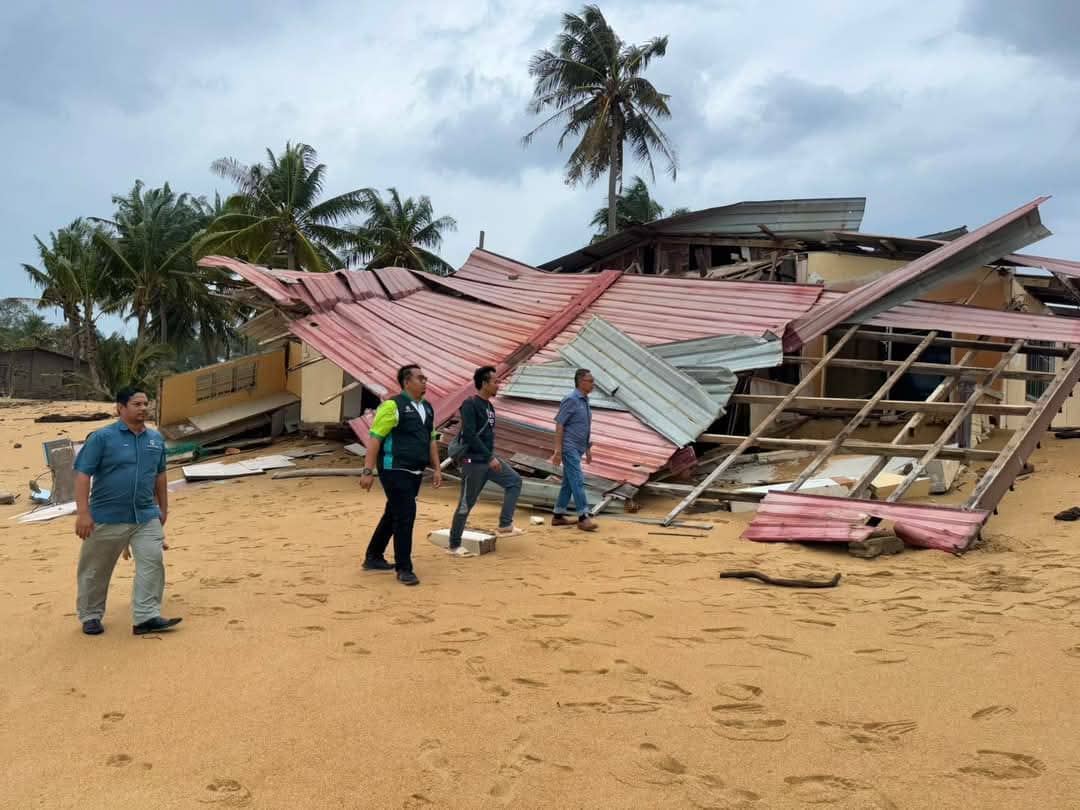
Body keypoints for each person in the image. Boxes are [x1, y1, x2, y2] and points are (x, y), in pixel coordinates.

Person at [73, 387, 182, 636]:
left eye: (146, 404)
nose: (143, 408)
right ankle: (90, 615)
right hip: (106, 517)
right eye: (137, 404)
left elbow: (161, 476)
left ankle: (146, 616)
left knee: (152, 563)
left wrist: (163, 510)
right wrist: (83, 513)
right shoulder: (102, 438)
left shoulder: (155, 439)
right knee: (95, 569)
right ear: (120, 408)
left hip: (145, 516)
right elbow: (82, 474)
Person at [360, 364, 442, 585]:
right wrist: (368, 471)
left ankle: (373, 556)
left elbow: (431, 439)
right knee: (405, 515)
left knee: (393, 512)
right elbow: (375, 438)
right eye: (420, 378)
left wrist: (437, 468)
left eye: (425, 378)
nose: (425, 381)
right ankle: (404, 568)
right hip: (394, 468)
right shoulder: (392, 406)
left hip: (416, 470)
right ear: (407, 382)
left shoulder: (428, 408)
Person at [447, 365, 525, 556]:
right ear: (484, 383)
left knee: (514, 481)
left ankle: (505, 524)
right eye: (495, 381)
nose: (498, 385)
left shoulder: (489, 406)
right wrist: (489, 457)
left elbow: (487, 436)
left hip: (488, 460)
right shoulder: (470, 404)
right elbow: (470, 435)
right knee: (467, 503)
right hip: (473, 462)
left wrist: (491, 455)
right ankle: (454, 545)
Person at [550, 368, 598, 532]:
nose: (593, 384)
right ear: (580, 382)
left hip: (579, 448)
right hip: (569, 447)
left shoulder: (584, 401)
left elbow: (584, 426)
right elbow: (560, 424)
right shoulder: (571, 399)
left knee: (569, 483)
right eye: (590, 381)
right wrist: (558, 450)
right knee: (577, 480)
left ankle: (558, 515)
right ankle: (583, 516)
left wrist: (588, 449)